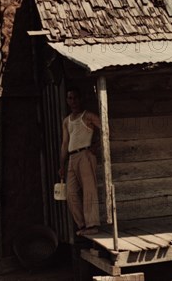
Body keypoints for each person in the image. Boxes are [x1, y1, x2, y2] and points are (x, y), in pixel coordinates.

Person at [58, 87, 101, 236]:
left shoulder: (88, 116)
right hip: (72, 157)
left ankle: (92, 225)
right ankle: (82, 224)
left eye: (75, 98)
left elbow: (106, 128)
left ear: (80, 99)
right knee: (70, 193)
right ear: (67, 100)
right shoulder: (67, 121)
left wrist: (96, 146)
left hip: (85, 155)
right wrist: (62, 165)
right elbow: (65, 144)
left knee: (89, 191)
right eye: (70, 98)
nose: (73, 101)